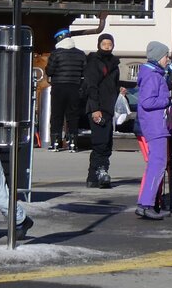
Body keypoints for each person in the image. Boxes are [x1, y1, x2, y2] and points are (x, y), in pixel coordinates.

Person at [134, 41, 172, 219]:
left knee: (156, 164)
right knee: (157, 164)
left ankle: (145, 203)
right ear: (159, 57)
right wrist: (168, 100)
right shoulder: (153, 76)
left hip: (155, 124)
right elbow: (147, 102)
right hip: (155, 125)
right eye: (166, 56)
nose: (168, 59)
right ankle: (147, 205)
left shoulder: (153, 73)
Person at [81, 33, 120, 188]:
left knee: (106, 142)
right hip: (97, 107)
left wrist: (121, 88)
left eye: (109, 44)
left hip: (108, 107)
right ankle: (101, 171)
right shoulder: (94, 62)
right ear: (99, 45)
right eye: (104, 44)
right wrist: (95, 109)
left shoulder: (114, 63)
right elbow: (91, 87)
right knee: (101, 142)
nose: (107, 47)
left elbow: (113, 84)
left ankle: (93, 178)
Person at [45, 27, 86, 151]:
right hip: (75, 87)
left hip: (58, 87)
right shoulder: (80, 54)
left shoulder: (56, 53)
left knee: (56, 115)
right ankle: (73, 143)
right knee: (73, 115)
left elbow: (49, 71)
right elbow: (85, 71)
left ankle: (55, 143)